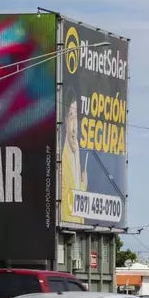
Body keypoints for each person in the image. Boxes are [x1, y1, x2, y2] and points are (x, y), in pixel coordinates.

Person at [61, 87, 88, 224]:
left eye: (76, 117)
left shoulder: (76, 151)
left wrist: (83, 187)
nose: (74, 127)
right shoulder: (61, 163)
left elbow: (75, 196)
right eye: (71, 117)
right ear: (65, 120)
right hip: (69, 228)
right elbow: (65, 209)